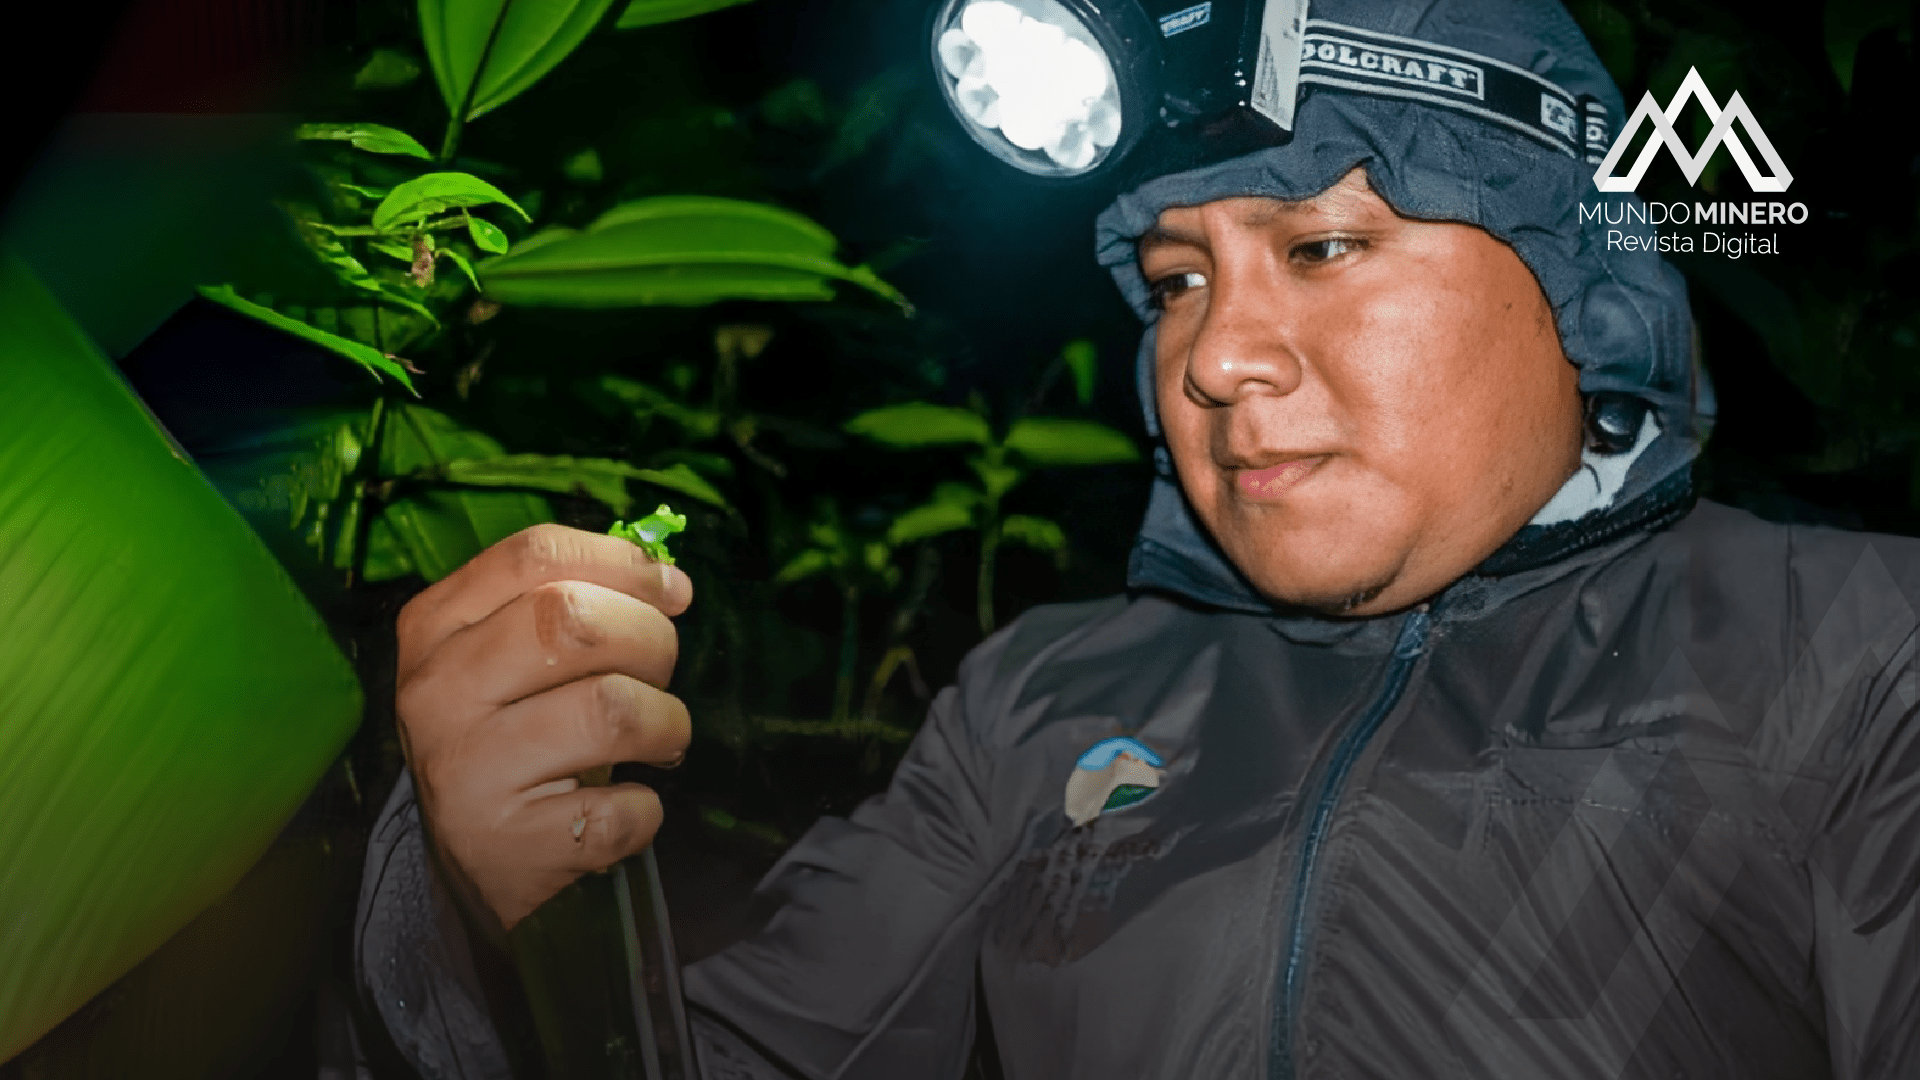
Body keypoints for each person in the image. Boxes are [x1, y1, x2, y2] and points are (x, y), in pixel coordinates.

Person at [348, 1, 1920, 1076]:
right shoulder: (1041, 700)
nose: (1215, 359)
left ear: (1574, 266)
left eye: (1319, 244)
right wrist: (484, 935)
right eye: (1175, 279)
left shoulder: (1855, 654)